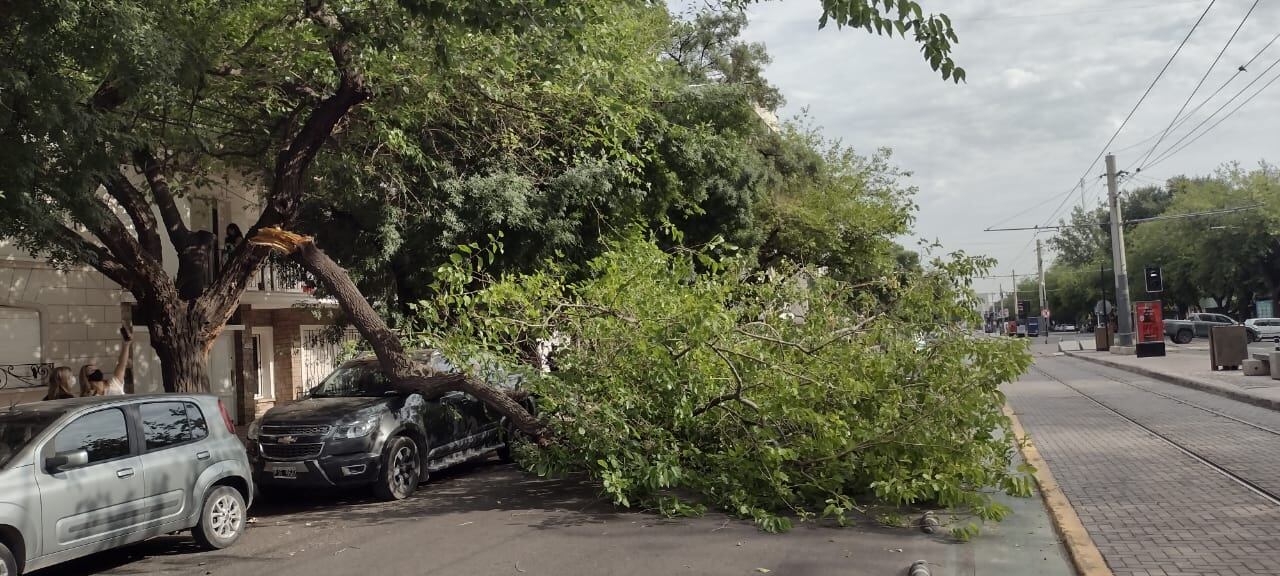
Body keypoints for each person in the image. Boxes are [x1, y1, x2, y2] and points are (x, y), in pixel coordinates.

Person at [81, 327, 132, 396]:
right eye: (90, 369)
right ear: (86, 378)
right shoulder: (89, 395)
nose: (95, 369)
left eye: (95, 368)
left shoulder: (114, 383)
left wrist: (126, 345)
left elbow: (122, 364)